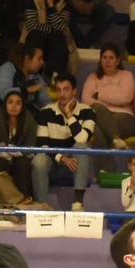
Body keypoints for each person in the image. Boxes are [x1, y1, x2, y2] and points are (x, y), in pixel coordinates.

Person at [32, 75, 96, 210]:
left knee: (81, 147)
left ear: (74, 91)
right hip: (54, 162)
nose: (62, 94)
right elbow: (43, 146)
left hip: (75, 164)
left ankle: (78, 203)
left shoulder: (88, 112)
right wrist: (62, 158)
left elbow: (81, 140)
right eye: (59, 90)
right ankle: (41, 205)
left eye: (66, 89)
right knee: (38, 159)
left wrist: (69, 115)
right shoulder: (46, 112)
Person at [0, 90, 40, 209]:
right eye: (10, 102)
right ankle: (1, 201)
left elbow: (29, 149)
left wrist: (7, 148)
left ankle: (23, 201)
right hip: (0, 158)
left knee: (23, 163)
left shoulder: (29, 121)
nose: (14, 106)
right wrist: (14, 151)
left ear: (22, 106)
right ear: (5, 105)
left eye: (18, 103)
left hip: (20, 158)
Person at [83, 43, 135, 152]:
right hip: (100, 116)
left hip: (125, 117)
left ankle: (105, 168)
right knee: (97, 124)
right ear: (100, 60)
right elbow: (86, 100)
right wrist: (104, 109)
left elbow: (125, 98)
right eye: (104, 58)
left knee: (98, 124)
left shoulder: (126, 75)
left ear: (117, 61)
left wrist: (99, 95)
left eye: (111, 58)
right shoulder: (93, 77)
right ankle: (116, 140)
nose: (107, 61)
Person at [20, 0, 74, 79]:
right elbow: (32, 25)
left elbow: (59, 27)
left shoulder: (65, 3)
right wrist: (51, 29)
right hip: (36, 38)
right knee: (35, 35)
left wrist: (51, 6)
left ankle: (56, 77)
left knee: (58, 36)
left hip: (55, 40)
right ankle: (32, 76)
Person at [0, 41, 50, 114]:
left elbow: (44, 101)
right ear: (28, 59)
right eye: (39, 59)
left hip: (20, 117)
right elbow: (3, 94)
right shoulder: (7, 69)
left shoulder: (37, 78)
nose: (42, 62)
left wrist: (51, 112)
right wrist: (26, 90)